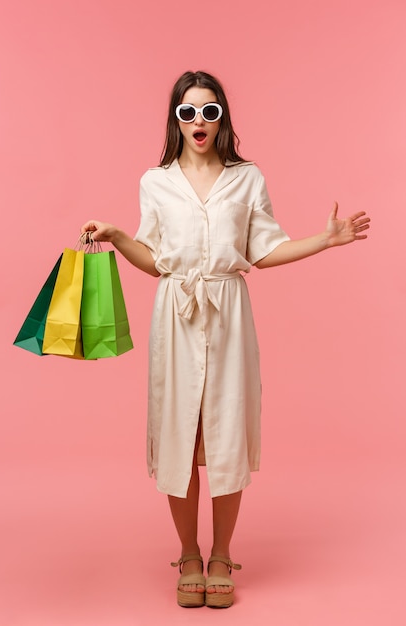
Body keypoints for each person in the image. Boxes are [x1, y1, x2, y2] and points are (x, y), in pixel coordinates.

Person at [81, 70, 370, 609]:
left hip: (229, 311)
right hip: (176, 314)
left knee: (226, 433)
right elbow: (156, 260)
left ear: (222, 118)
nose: (198, 122)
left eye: (209, 111)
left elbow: (263, 250)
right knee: (180, 436)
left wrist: (325, 242)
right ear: (175, 118)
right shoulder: (156, 181)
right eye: (187, 112)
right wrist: (120, 236)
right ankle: (189, 553)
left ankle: (221, 555)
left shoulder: (247, 177)